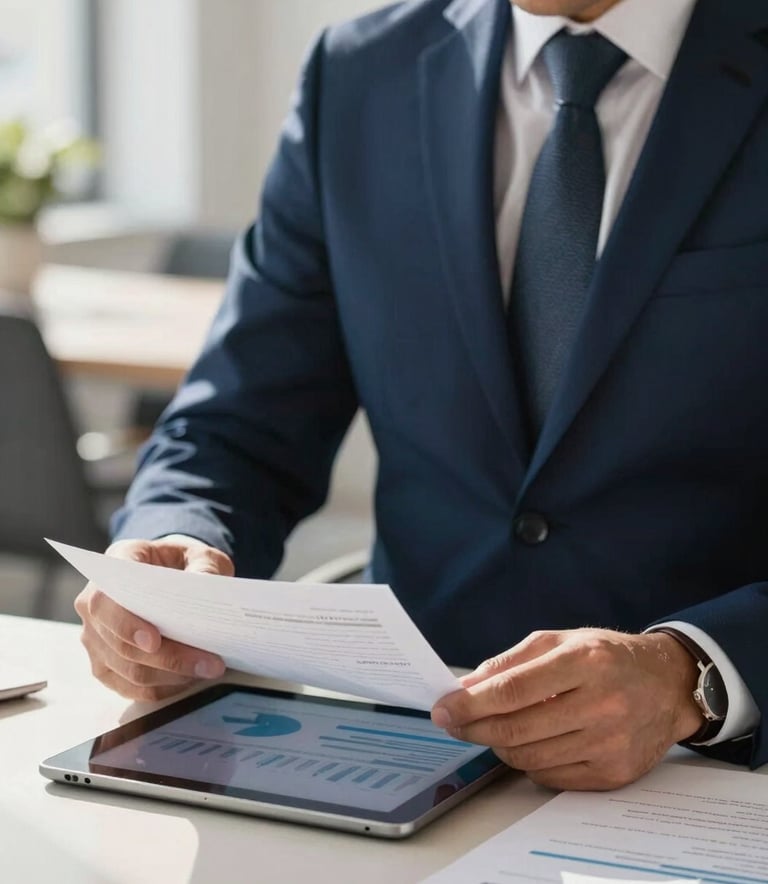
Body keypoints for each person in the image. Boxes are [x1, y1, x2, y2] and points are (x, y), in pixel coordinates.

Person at [76, 0, 768, 791]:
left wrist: (695, 673)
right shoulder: (360, 72)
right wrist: (169, 550)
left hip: (714, 767)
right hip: (402, 750)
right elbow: (240, 418)